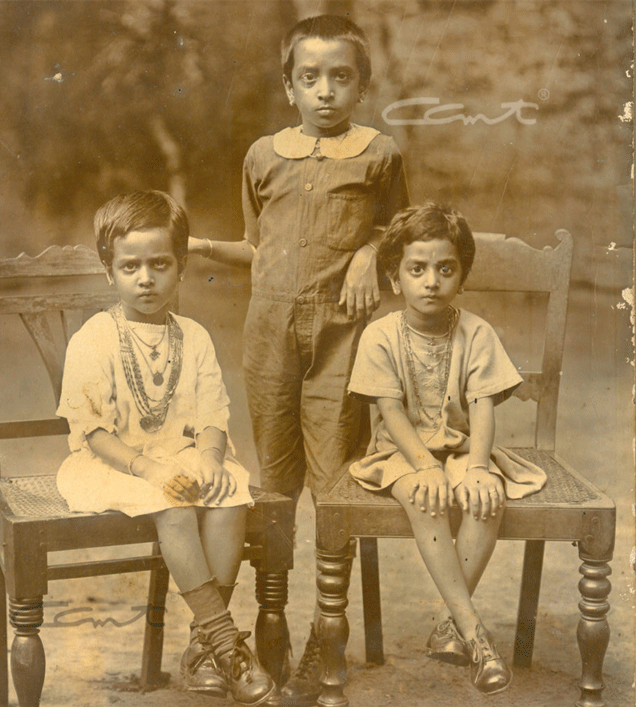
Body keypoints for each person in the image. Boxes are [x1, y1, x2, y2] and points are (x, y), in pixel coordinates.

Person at [186, 14, 409, 704]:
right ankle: (270, 615)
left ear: (361, 85)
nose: (324, 91)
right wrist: (198, 249)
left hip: (342, 337)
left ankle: (325, 630)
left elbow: (398, 235)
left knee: (333, 480)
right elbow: (258, 246)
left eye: (340, 77)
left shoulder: (380, 154)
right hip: (269, 333)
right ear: (288, 86)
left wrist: (371, 251)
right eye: (308, 77)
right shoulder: (262, 154)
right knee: (275, 481)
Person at [55, 190, 276, 706]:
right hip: (113, 463)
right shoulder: (94, 338)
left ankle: (203, 646)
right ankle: (227, 646)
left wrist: (211, 457)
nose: (146, 278)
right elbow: (91, 430)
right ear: (109, 271)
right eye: (130, 266)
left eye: (160, 264)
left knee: (228, 491)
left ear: (180, 268)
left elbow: (211, 414)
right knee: (173, 505)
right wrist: (149, 468)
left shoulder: (194, 337)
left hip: (178, 458)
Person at [347, 203, 547, 695]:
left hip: (461, 449)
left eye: (445, 269)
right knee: (423, 494)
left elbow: (482, 408)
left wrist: (478, 468)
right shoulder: (380, 335)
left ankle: (448, 623)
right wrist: (423, 466)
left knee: (486, 498)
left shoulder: (475, 332)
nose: (431, 281)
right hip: (400, 451)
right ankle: (476, 636)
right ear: (395, 279)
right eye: (417, 269)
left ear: (462, 275)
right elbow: (390, 412)